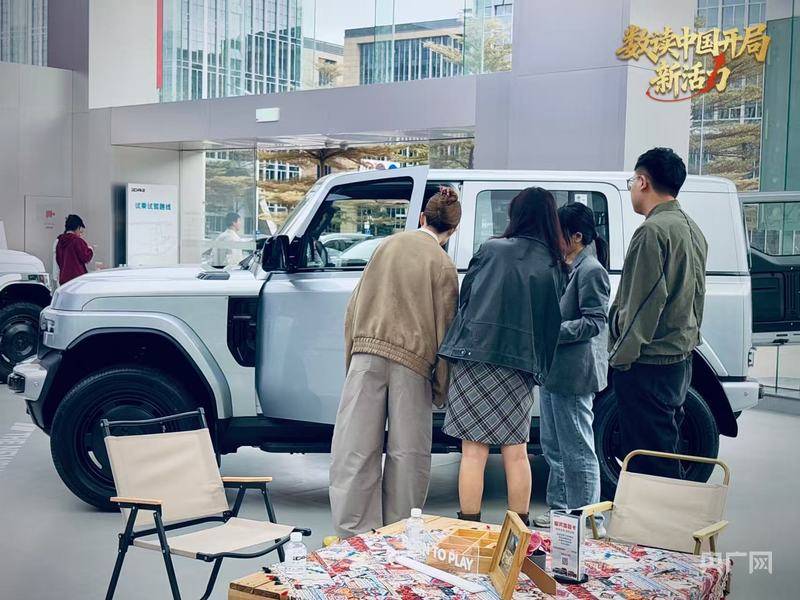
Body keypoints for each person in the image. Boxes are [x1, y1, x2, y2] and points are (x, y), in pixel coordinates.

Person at [329, 188, 462, 537]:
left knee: (355, 449)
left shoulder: (386, 246)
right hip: (413, 366)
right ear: (453, 230)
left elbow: (354, 307)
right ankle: (398, 535)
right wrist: (440, 387)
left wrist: (353, 357)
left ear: (422, 218)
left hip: (367, 354)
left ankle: (353, 536)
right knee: (408, 456)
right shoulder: (443, 265)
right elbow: (446, 330)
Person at [439, 187, 566, 526]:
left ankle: (469, 527)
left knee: (473, 452)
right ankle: (518, 534)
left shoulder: (491, 249)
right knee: (516, 452)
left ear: (516, 215)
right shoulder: (553, 263)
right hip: (519, 364)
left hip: (475, 357)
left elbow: (466, 300)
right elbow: (552, 322)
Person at [609, 147, 708, 479]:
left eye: (632, 183)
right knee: (666, 449)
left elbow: (642, 305)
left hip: (648, 364)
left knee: (647, 462)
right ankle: (672, 511)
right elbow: (696, 296)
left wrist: (619, 359)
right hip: (679, 358)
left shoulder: (652, 231)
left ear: (643, 181)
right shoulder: (691, 228)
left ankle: (660, 515)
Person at [533, 203, 610, 531]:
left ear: (576, 236)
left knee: (578, 449)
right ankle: (561, 513)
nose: (553, 238)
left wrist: (553, 330)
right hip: (554, 372)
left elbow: (595, 322)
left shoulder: (591, 270)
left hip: (575, 374)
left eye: (559, 232)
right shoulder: (565, 266)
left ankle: (589, 519)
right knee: (554, 448)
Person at [55, 214, 93, 286]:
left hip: (63, 280)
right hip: (77, 280)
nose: (80, 233)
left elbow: (58, 260)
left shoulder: (59, 241)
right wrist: (91, 249)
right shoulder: (77, 241)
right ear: (78, 227)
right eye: (80, 230)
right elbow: (86, 257)